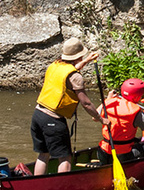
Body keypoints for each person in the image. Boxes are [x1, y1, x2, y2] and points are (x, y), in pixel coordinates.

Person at [32, 38, 100, 175]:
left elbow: (71, 71)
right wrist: (101, 118)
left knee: (43, 154)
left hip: (38, 115)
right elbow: (86, 103)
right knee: (65, 157)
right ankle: (63, 186)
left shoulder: (55, 65)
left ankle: (35, 184)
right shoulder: (76, 77)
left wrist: (86, 61)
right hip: (53, 120)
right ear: (78, 56)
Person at [97, 78, 144, 164]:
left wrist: (107, 99)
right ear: (137, 97)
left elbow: (95, 117)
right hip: (123, 156)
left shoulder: (108, 103)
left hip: (103, 153)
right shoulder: (135, 112)